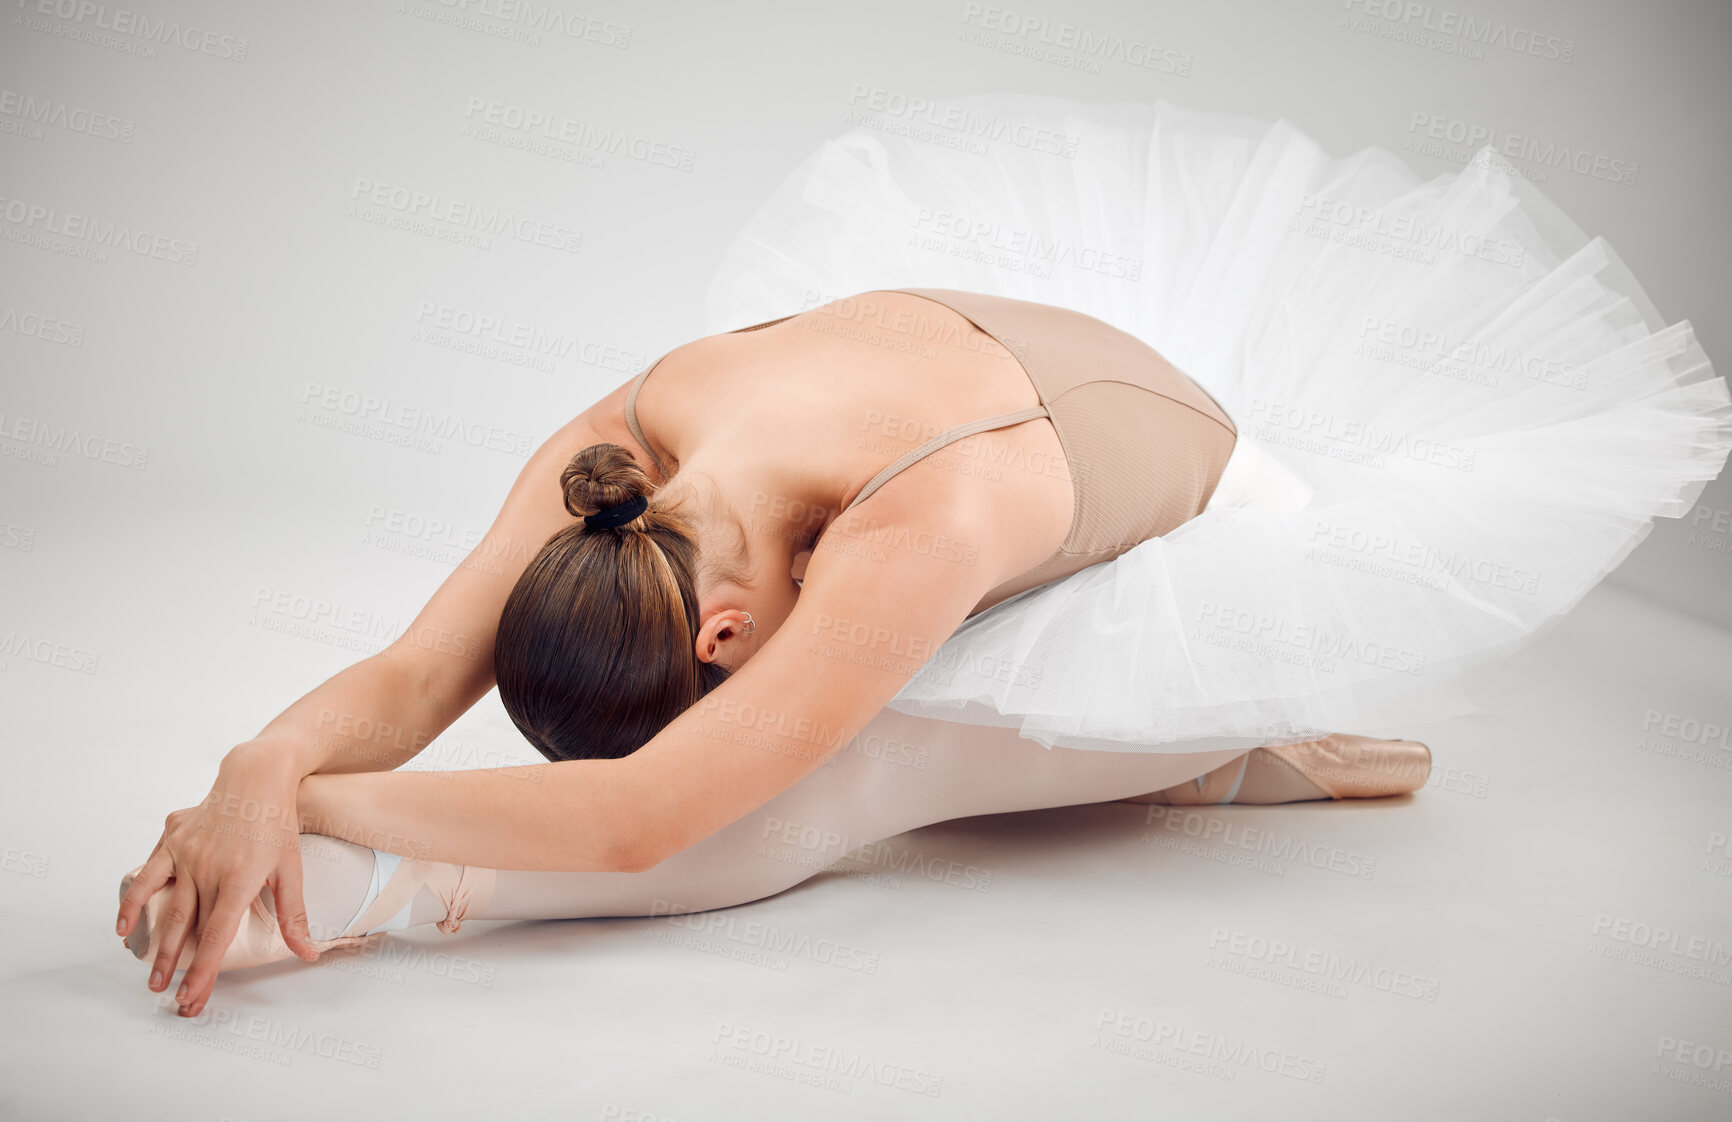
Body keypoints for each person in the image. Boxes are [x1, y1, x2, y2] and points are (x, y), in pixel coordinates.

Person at [116, 94, 1732, 1019]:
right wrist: (256, 756)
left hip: (1199, 553)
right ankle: (333, 877)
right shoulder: (627, 453)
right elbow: (415, 672)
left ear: (730, 626)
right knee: (834, 739)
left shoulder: (926, 521)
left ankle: (1222, 745)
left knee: (840, 782)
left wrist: (305, 813)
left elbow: (646, 815)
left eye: (701, 690)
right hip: (1021, 434)